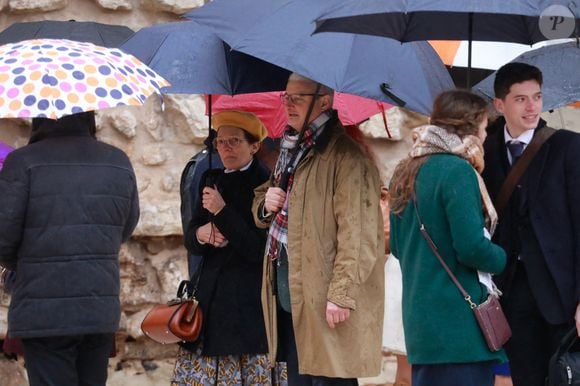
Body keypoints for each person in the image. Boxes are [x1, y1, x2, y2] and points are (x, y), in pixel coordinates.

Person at [253, 73, 385, 385]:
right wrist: (265, 203)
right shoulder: (291, 148)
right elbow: (266, 197)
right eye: (286, 97)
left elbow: (360, 234)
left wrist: (341, 294)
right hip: (290, 288)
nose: (289, 104)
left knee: (330, 378)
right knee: (300, 377)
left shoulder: (347, 158)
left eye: (298, 98)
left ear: (324, 102)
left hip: (324, 294)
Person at [0, 111, 140, 386]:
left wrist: (27, 263)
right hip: (98, 304)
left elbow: (3, 238)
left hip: (43, 310)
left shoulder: (23, 162)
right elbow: (126, 226)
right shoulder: (118, 162)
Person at [389, 89, 508, 386]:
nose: (485, 135)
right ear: (470, 126)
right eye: (484, 127)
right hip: (459, 327)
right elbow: (470, 247)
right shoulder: (457, 171)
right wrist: (502, 257)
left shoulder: (405, 170)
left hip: (421, 323)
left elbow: (399, 248)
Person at [482, 62, 580, 386]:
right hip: (509, 292)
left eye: (537, 97)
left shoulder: (567, 146)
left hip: (562, 294)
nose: (532, 107)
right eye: (521, 99)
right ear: (500, 104)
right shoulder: (482, 151)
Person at [172, 110, 286, 385]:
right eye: (220, 142)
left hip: (248, 304)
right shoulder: (211, 177)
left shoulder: (265, 183)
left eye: (234, 141)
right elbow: (191, 238)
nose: (225, 148)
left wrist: (222, 212)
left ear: (254, 145)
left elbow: (258, 249)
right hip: (211, 300)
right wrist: (202, 233)